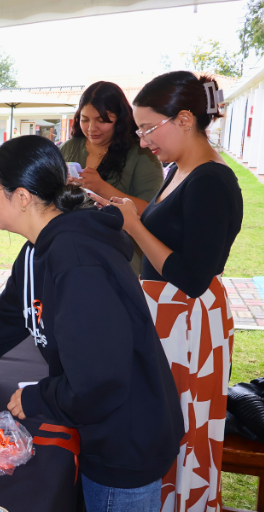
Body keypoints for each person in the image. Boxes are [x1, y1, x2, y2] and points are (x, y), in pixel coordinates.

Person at [0, 135, 183, 512]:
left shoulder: (77, 261)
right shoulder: (38, 249)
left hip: (124, 440)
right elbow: (4, 318)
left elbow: (101, 382)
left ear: (21, 197)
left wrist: (38, 396)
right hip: (103, 426)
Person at [109, 71, 243, 512]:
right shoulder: (178, 168)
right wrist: (129, 212)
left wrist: (134, 226)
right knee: (165, 423)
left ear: (184, 119)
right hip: (171, 317)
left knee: (183, 427)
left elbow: (192, 275)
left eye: (148, 128)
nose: (145, 140)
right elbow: (172, 224)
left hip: (190, 322)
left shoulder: (212, 181)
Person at [60, 81, 164, 276]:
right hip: (71, 256)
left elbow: (151, 213)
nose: (92, 128)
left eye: (102, 120)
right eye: (85, 119)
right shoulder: (69, 148)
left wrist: (102, 188)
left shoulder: (142, 155)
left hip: (120, 262)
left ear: (121, 119)